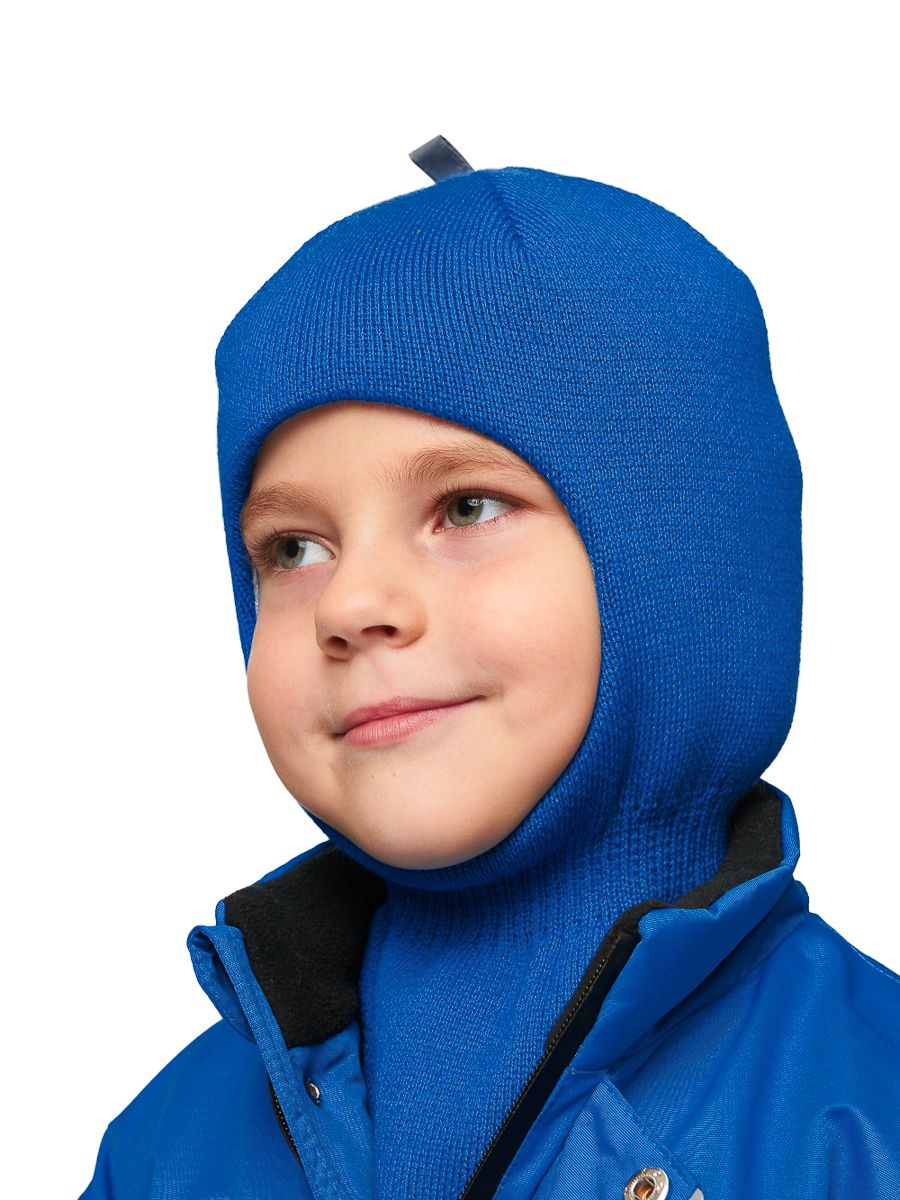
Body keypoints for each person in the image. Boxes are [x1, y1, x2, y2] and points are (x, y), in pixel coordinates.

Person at [80, 137, 900, 1200]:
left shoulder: (866, 1120)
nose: (350, 604)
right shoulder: (166, 1145)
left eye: (465, 507)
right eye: (293, 548)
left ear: (683, 560)